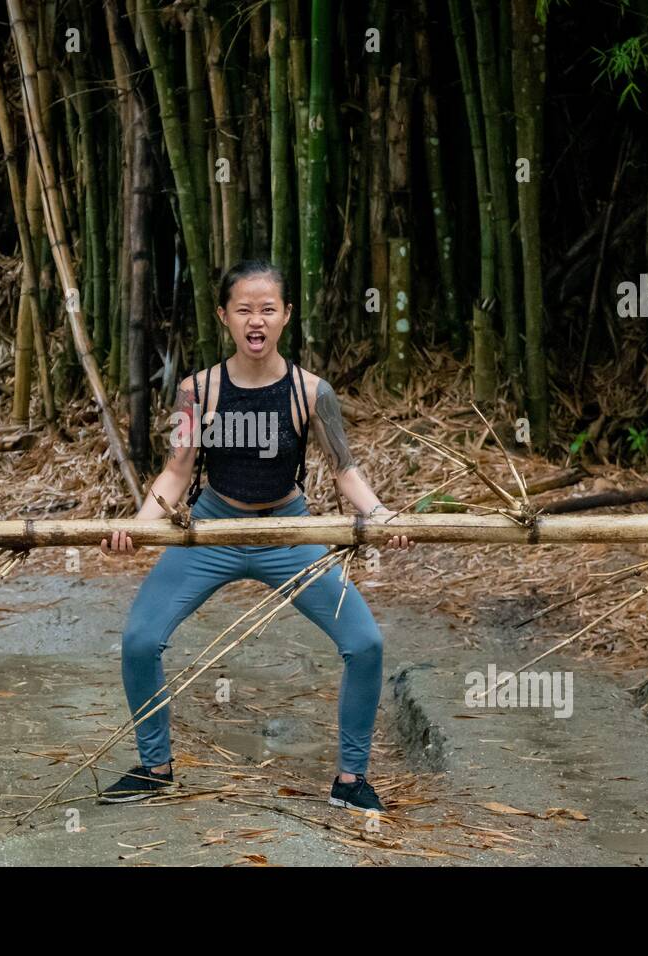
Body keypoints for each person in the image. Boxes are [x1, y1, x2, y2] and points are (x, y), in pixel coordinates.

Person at [96, 259, 413, 812]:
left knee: (365, 644)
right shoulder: (198, 391)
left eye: (268, 308)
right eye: (244, 309)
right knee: (140, 641)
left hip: (289, 531)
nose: (256, 320)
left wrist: (383, 517)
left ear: (287, 315)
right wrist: (138, 527)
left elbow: (345, 470)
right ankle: (155, 768)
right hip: (213, 528)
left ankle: (350, 780)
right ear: (224, 316)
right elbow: (175, 470)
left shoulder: (313, 393)